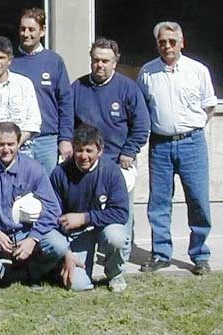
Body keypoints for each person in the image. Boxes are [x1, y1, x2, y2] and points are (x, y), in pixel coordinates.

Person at [136, 21, 218, 275]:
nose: (167, 46)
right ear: (157, 44)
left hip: (192, 143)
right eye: (162, 42)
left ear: (182, 42)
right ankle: (161, 253)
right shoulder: (147, 73)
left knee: (198, 201)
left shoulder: (198, 71)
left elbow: (209, 106)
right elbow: (141, 109)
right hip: (160, 144)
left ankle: (200, 255)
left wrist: (189, 129)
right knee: (159, 203)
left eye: (172, 41)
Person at [71, 38, 150, 261]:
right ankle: (84, 256)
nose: (100, 65)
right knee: (89, 211)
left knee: (121, 213)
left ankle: (118, 262)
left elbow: (142, 124)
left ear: (115, 62)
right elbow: (67, 122)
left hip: (118, 162)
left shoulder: (128, 88)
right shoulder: (78, 87)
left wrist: (130, 150)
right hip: (87, 163)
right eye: (96, 60)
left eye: (105, 61)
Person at [0, 122, 67, 287]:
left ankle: (31, 272)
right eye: (1, 144)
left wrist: (33, 238)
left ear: (18, 143)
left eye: (11, 144)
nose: (6, 149)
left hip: (25, 233)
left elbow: (53, 209)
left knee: (58, 245)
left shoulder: (34, 169)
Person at [50, 124, 129, 292]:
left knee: (116, 236)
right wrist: (66, 251)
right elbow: (52, 214)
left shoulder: (112, 171)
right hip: (76, 234)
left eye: (89, 151)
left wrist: (85, 217)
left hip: (102, 227)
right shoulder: (59, 173)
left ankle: (115, 274)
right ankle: (63, 266)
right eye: (79, 150)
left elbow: (121, 213)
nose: (83, 156)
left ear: (99, 151)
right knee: (77, 285)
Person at [10, 7, 74, 173]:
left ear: (43, 31)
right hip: (18, 140)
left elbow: (65, 102)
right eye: (22, 29)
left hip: (48, 141)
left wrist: (65, 138)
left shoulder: (54, 61)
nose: (26, 33)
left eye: (31, 29)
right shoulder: (10, 62)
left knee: (50, 190)